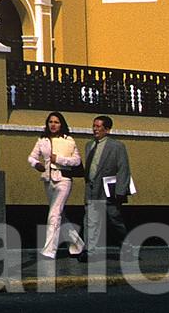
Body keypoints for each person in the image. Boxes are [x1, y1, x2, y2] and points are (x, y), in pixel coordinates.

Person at [27, 110, 87, 259]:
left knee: (54, 214)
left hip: (63, 180)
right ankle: (78, 245)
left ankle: (48, 251)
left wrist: (58, 159)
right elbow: (31, 157)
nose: (53, 125)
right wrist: (36, 164)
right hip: (48, 180)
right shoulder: (43, 140)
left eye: (56, 122)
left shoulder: (69, 140)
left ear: (61, 124)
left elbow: (77, 161)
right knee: (59, 214)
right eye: (51, 122)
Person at [83, 115, 134, 255]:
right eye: (94, 126)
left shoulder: (117, 146)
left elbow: (123, 168)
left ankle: (126, 246)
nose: (95, 129)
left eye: (98, 126)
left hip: (108, 190)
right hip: (92, 188)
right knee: (90, 220)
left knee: (114, 219)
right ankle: (89, 250)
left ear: (107, 129)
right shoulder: (89, 145)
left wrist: (120, 191)